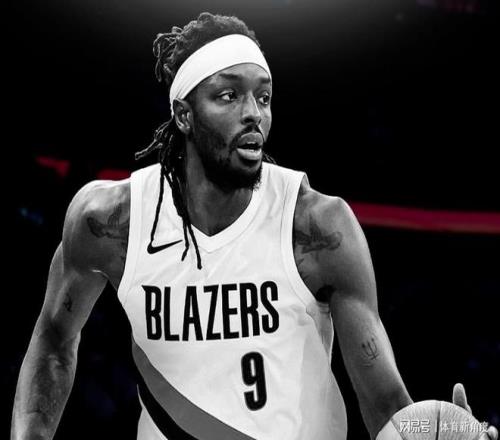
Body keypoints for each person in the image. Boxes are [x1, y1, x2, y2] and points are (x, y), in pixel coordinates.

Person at [10, 12, 498, 440]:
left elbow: (385, 402)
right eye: (229, 96)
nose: (253, 114)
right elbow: (54, 336)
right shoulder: (111, 221)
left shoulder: (317, 227)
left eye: (263, 97)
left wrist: (434, 433)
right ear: (184, 115)